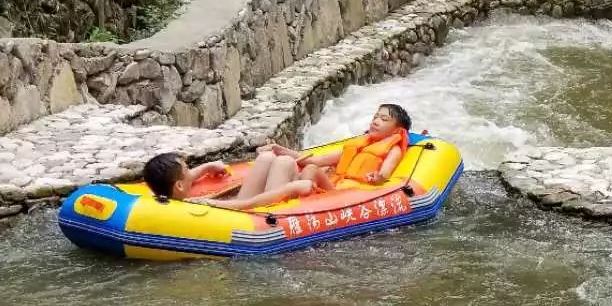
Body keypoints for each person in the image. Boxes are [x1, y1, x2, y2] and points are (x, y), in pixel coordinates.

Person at [273, 103, 412, 188]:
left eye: (384, 119)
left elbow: (385, 173)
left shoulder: (394, 150)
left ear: (396, 130)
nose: (375, 121)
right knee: (304, 167)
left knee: (311, 170)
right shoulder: (360, 144)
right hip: (336, 183)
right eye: (375, 117)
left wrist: (378, 177)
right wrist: (282, 150)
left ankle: (292, 201)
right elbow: (318, 160)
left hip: (351, 190)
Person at [141, 150, 332, 211]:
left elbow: (182, 180)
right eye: (188, 169)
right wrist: (291, 187)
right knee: (285, 162)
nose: (192, 171)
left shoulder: (165, 196)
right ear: (180, 185)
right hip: (254, 211)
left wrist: (207, 168)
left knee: (266, 158)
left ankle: (299, 175)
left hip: (239, 205)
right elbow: (248, 205)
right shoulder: (196, 207)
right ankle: (298, 177)